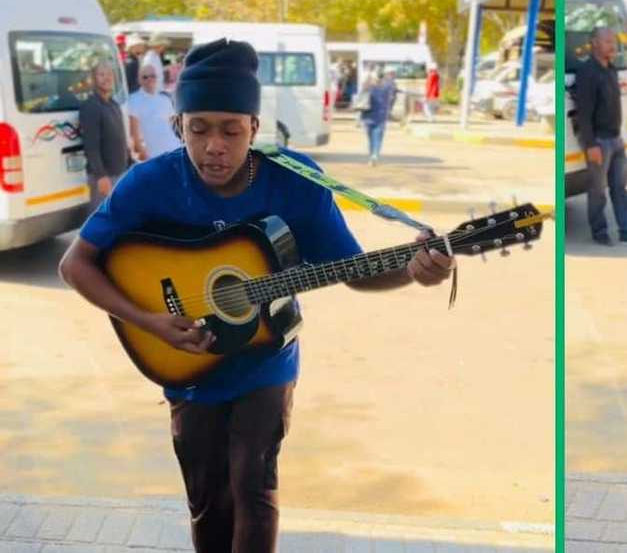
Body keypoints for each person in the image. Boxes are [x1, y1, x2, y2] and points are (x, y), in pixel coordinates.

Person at [58, 39, 453, 553]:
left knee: (254, 489)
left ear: (255, 128)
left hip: (266, 360)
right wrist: (149, 320)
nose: (213, 146)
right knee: (208, 500)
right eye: (198, 129)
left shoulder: (298, 183)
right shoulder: (149, 183)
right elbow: (75, 264)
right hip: (186, 365)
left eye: (231, 130)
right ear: (179, 127)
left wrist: (411, 270)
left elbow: (353, 271)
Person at [574, 27, 627, 246]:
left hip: (616, 138)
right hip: (599, 142)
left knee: (620, 187)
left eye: (613, 41)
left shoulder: (611, 70)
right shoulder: (587, 72)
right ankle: (599, 231)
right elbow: (583, 113)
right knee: (597, 190)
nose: (613, 46)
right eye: (607, 42)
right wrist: (591, 144)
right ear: (594, 43)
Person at [79, 61, 131, 211]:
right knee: (99, 225)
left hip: (119, 174)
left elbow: (120, 138)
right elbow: (91, 146)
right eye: (101, 75)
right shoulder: (91, 106)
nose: (106, 78)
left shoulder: (114, 105)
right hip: (103, 177)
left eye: (109, 74)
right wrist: (101, 176)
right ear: (93, 80)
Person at [127, 64, 181, 159]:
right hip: (154, 156)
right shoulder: (133, 100)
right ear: (139, 80)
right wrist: (144, 155)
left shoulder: (165, 99)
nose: (149, 79)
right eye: (145, 77)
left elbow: (174, 127)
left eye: (153, 76)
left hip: (174, 150)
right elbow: (134, 135)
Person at [360, 71, 394, 163]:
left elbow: (361, 97)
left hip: (368, 116)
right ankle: (375, 155)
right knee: (378, 137)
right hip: (381, 116)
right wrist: (387, 78)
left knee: (371, 138)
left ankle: (372, 155)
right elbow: (391, 84)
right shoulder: (386, 88)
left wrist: (368, 78)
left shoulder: (368, 87)